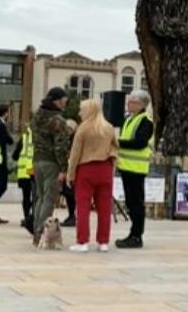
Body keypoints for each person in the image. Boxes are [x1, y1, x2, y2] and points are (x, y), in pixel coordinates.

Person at [67, 99, 119, 253]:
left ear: (88, 111)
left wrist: (71, 174)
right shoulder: (108, 128)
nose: (79, 113)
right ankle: (103, 242)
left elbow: (75, 153)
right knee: (104, 207)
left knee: (83, 206)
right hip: (105, 169)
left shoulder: (83, 129)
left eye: (81, 110)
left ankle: (82, 241)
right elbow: (115, 147)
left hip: (86, 169)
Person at [115, 90, 154, 249]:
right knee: (131, 203)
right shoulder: (129, 119)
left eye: (131, 101)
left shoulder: (146, 121)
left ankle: (137, 235)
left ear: (140, 104)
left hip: (136, 169)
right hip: (126, 167)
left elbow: (140, 143)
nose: (128, 104)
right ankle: (133, 233)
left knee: (136, 203)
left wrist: (118, 143)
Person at [32, 88, 71, 245]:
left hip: (37, 160)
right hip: (51, 163)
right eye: (65, 101)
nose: (66, 104)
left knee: (40, 197)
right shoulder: (58, 121)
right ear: (58, 100)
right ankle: (42, 232)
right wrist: (63, 168)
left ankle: (36, 229)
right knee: (49, 199)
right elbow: (60, 147)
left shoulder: (36, 115)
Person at [12, 124, 35, 234]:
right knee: (37, 196)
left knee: (26, 197)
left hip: (24, 172)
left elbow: (15, 156)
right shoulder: (41, 136)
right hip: (34, 171)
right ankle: (34, 218)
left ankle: (26, 217)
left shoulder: (24, 137)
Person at [60, 119, 80, 228]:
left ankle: (73, 216)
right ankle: (71, 215)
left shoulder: (75, 138)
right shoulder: (67, 138)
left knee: (71, 193)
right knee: (67, 193)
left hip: (72, 168)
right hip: (67, 168)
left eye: (68, 129)